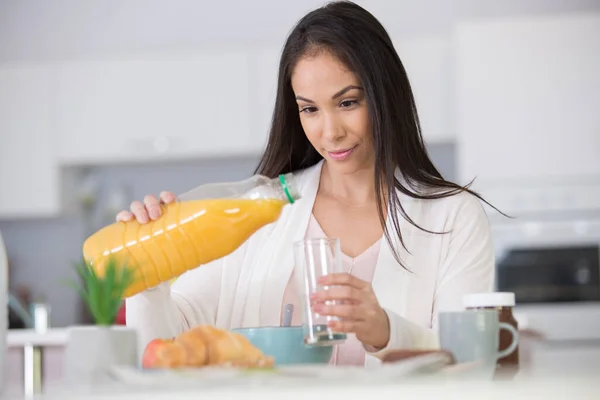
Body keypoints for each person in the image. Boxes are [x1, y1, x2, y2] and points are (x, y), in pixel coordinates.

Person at [122, 1, 496, 368]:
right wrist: (147, 281)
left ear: (385, 95)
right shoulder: (258, 212)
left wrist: (386, 332)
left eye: (348, 102)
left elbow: (473, 362)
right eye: (310, 109)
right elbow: (165, 350)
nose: (330, 132)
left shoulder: (452, 216)